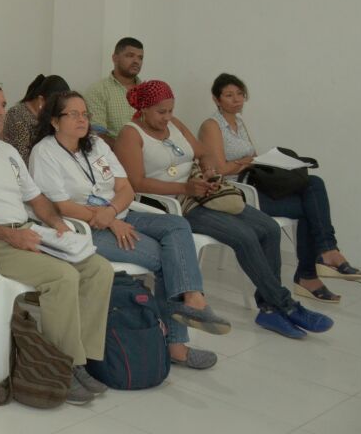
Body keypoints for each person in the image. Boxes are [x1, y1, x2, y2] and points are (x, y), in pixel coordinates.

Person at [0, 80, 114, 405]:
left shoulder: (8, 152)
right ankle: (63, 367)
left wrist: (59, 225)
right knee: (63, 277)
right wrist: (9, 234)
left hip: (25, 232)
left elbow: (35, 197)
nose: (1, 111)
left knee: (98, 268)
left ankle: (81, 360)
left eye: (3, 104)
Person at [112, 80, 334, 339]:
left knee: (269, 228)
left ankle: (269, 309)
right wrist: (186, 189)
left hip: (203, 192)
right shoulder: (130, 134)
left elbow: (204, 153)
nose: (167, 117)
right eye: (161, 112)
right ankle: (285, 305)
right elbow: (136, 182)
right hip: (173, 203)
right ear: (143, 109)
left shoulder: (175, 124)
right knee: (245, 236)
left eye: (171, 110)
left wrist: (208, 171)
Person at [30, 91, 230, 370]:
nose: (82, 119)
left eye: (85, 114)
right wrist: (109, 221)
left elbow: (126, 187)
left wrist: (112, 213)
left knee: (177, 224)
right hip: (84, 228)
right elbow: (61, 205)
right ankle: (177, 344)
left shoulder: (97, 145)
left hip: (120, 216)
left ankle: (193, 299)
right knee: (166, 259)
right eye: (73, 114)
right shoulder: (45, 152)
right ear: (54, 121)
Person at [197, 74, 361, 303]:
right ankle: (311, 272)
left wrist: (259, 160)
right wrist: (247, 160)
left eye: (240, 94)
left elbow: (251, 159)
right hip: (237, 193)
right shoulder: (211, 125)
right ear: (217, 99)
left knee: (314, 183)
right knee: (309, 208)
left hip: (254, 183)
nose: (236, 99)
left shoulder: (239, 122)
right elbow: (219, 169)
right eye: (229, 95)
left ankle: (326, 252)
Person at [1, 74, 69, 162]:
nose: (58, 111)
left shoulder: (52, 117)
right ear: (41, 100)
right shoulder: (17, 116)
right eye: (55, 106)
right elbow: (22, 160)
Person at [84, 37, 143, 136]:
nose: (136, 61)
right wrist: (128, 149)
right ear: (115, 58)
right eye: (130, 56)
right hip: (112, 150)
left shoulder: (148, 91)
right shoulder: (98, 90)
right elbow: (97, 135)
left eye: (140, 57)